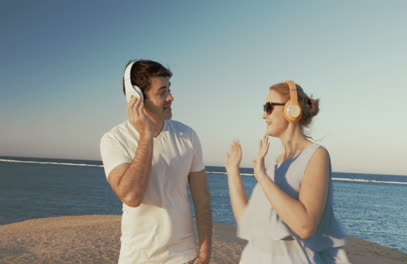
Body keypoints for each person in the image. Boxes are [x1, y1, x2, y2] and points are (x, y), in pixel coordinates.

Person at [225, 81, 351, 263]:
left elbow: (305, 226)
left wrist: (261, 177)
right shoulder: (274, 166)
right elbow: (249, 223)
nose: (263, 115)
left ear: (291, 109)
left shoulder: (316, 156)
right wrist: (232, 172)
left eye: (268, 107)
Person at [100, 59, 212, 264]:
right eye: (162, 92)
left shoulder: (188, 136)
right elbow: (131, 196)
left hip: (183, 256)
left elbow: (202, 200)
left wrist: (204, 253)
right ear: (137, 97)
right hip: (138, 258)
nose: (171, 97)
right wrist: (146, 135)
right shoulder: (114, 139)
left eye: (169, 89)